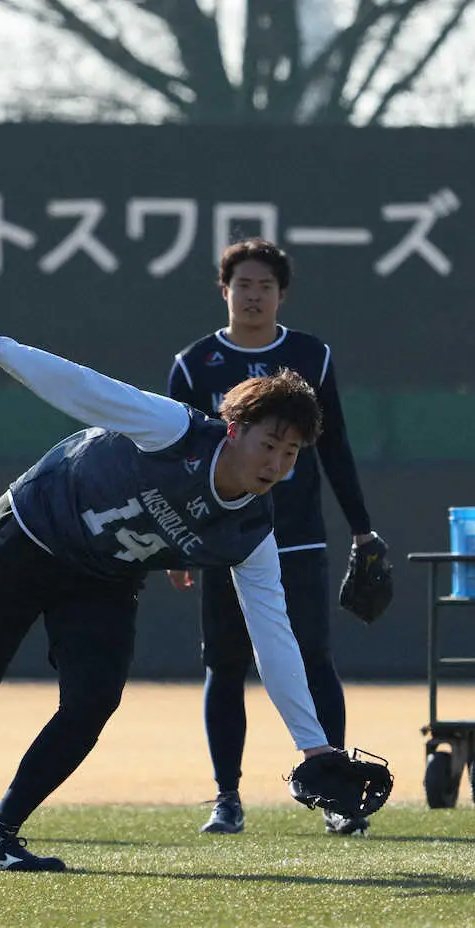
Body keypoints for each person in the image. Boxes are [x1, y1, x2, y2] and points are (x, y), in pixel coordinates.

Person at [0, 306, 385, 872]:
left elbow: (274, 641)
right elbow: (81, 387)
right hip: (32, 531)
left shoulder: (251, 533)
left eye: (291, 454)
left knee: (93, 701)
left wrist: (313, 746)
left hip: (103, 577)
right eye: (268, 444)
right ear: (234, 429)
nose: (277, 463)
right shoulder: (176, 430)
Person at [166, 238, 381, 836]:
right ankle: (227, 797)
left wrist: (362, 529)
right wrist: (177, 542)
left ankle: (339, 794)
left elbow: (333, 446)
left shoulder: (310, 357)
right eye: (243, 284)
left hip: (297, 534)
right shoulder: (195, 364)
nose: (253, 294)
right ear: (225, 290)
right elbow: (175, 456)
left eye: (265, 285)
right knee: (226, 664)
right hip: (220, 533)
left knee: (314, 660)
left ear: (281, 293)